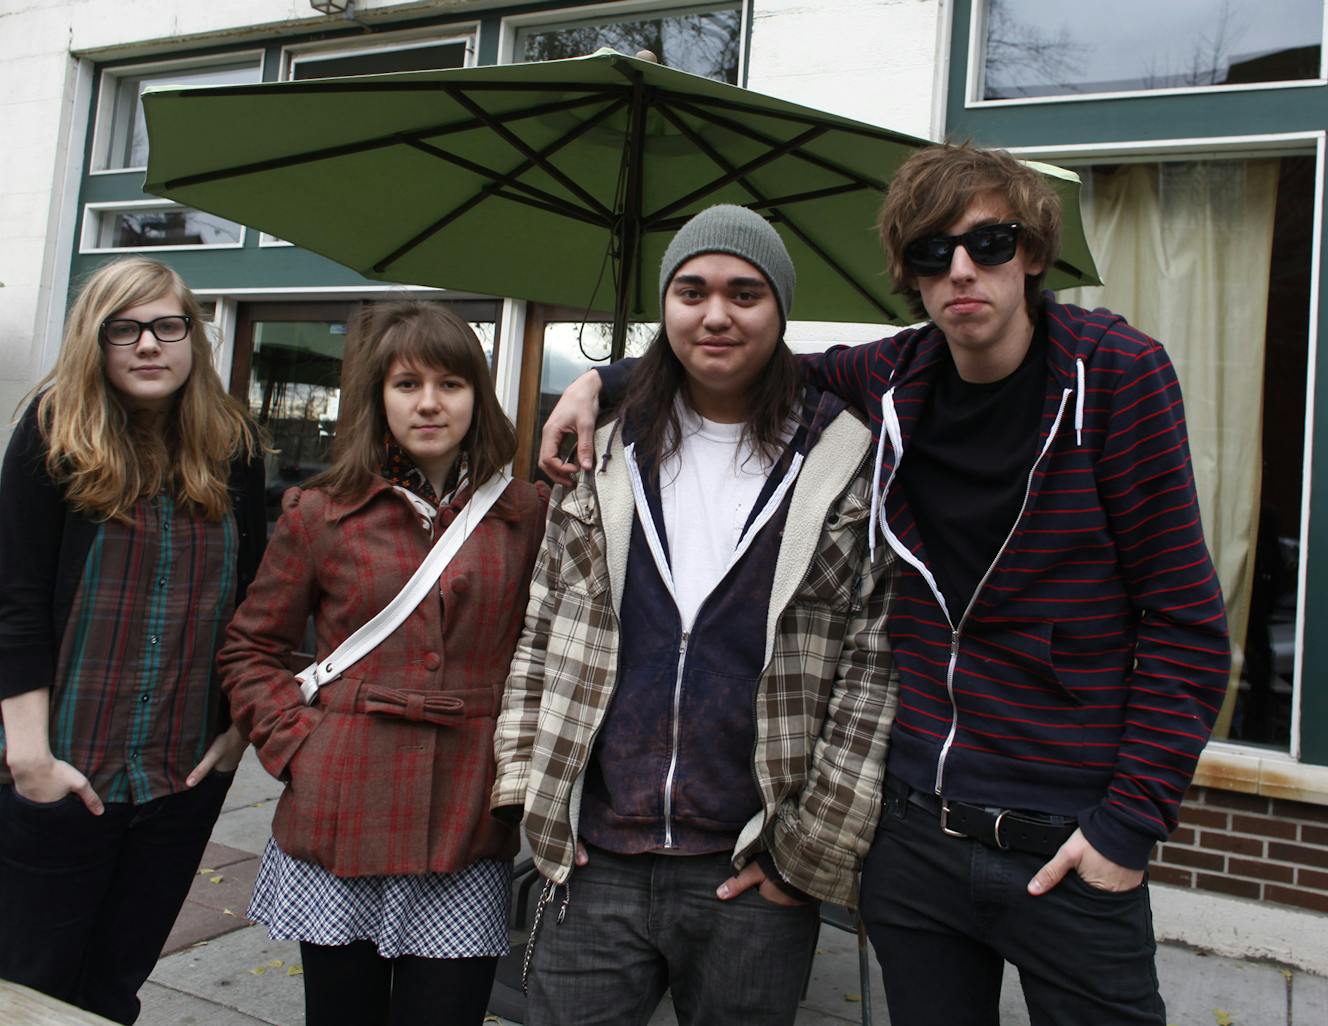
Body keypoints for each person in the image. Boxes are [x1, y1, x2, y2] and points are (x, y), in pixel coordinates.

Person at [542, 145, 1233, 1025]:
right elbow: (751, 365)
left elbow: (1183, 623)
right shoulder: (896, 378)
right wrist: (600, 382)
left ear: (1032, 252)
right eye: (933, 253)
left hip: (1066, 836)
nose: (963, 270)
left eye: (990, 241)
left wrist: (1128, 826)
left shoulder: (1117, 379)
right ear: (909, 273)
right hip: (915, 841)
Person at [493, 204, 898, 1026]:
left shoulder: (845, 454)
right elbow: (543, 626)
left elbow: (872, 667)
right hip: (591, 857)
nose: (715, 314)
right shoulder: (602, 445)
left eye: (745, 293)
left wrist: (807, 855)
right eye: (692, 290)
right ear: (665, 307)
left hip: (751, 865)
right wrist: (529, 795)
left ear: (780, 309)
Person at [217, 302, 548, 1026]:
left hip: (467, 818)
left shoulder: (525, 514)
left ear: (477, 396)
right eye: (407, 384)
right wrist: (299, 747)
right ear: (378, 397)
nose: (429, 402)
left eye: (451, 383)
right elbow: (250, 647)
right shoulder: (321, 510)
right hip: (341, 807)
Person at [0, 257, 267, 1024]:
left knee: (110, 996)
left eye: (167, 326)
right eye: (125, 329)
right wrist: (30, 759)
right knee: (21, 999)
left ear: (192, 339)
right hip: (66, 771)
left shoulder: (232, 449)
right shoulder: (52, 436)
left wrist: (238, 730)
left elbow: (260, 606)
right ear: (95, 341)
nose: (148, 345)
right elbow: (19, 608)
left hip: (179, 782)